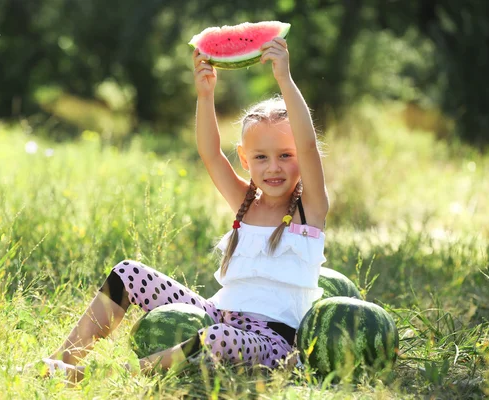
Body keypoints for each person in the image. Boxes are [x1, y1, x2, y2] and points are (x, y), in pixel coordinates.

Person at [39, 37, 329, 384]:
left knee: (216, 339)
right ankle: (63, 359)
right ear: (244, 159)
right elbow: (210, 154)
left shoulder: (307, 212)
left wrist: (284, 79)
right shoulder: (245, 203)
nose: (273, 168)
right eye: (261, 158)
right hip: (218, 316)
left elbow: (310, 145)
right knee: (127, 273)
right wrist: (205, 95)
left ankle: (106, 376)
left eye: (285, 155)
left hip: (273, 343)